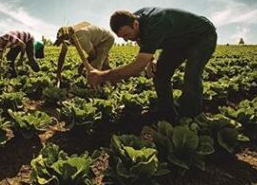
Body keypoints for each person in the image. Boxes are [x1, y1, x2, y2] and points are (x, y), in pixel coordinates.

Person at [87, 7, 217, 121]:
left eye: (127, 35)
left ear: (135, 24)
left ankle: (189, 119)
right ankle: (166, 113)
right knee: (160, 73)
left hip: (202, 36)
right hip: (176, 41)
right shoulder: (134, 20)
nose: (126, 40)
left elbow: (137, 67)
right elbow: (140, 38)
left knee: (192, 75)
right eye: (122, 38)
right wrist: (151, 59)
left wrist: (102, 76)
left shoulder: (155, 23)